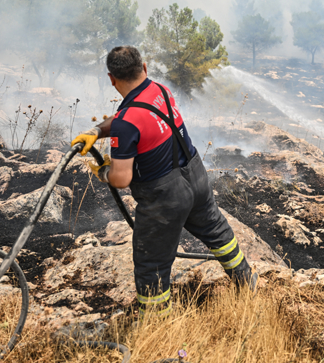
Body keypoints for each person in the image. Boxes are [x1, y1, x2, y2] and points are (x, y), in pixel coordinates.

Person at [72, 46, 255, 317]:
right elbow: (132, 116)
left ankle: (157, 323)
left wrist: (102, 172)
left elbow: (121, 178)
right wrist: (97, 131)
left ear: (111, 78)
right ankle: (247, 283)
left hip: (165, 197)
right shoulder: (161, 90)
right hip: (195, 175)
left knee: (152, 264)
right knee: (218, 232)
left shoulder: (126, 123)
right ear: (144, 68)